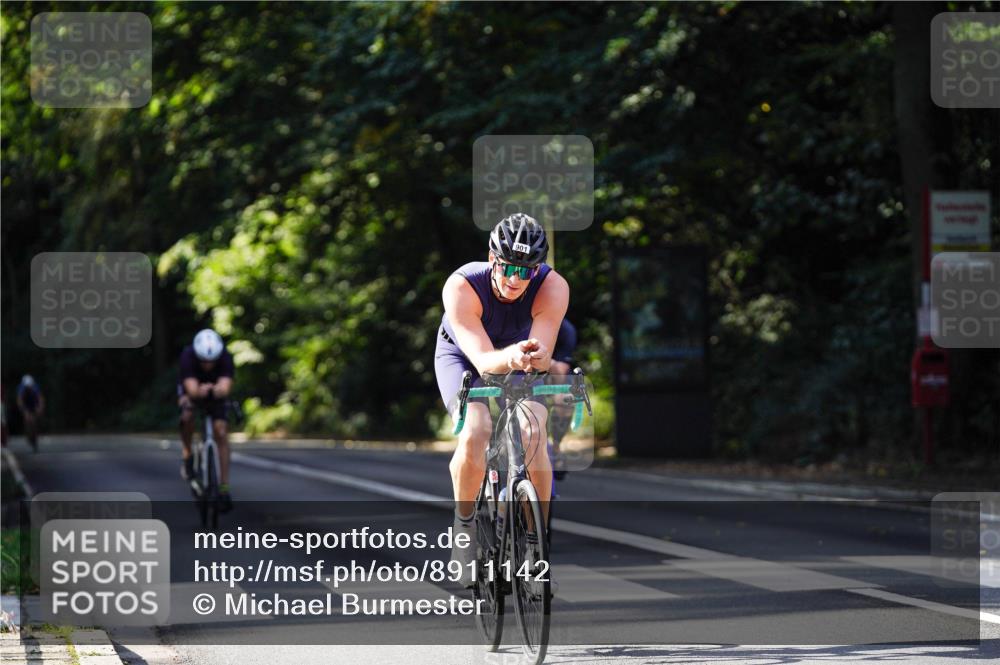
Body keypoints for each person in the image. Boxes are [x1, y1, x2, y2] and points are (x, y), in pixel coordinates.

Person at [435, 213, 569, 584]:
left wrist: (538, 357)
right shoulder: (462, 286)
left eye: (526, 272)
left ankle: (535, 543)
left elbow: (542, 355)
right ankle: (464, 527)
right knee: (476, 429)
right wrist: (511, 357)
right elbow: (482, 361)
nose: (515, 279)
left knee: (533, 431)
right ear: (492, 259)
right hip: (464, 357)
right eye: (508, 267)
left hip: (519, 359)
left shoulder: (553, 286)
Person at [178, 329, 235, 512]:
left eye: (212, 361)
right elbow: (192, 389)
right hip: (193, 392)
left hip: (216, 396)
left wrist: (216, 390)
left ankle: (224, 487)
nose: (208, 365)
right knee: (187, 416)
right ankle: (187, 456)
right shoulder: (188, 356)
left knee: (221, 431)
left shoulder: (225, 357)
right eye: (203, 361)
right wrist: (198, 391)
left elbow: (225, 387)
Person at [548, 318, 578, 480]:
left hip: (550, 377)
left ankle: (556, 447)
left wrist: (546, 361)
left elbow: (560, 374)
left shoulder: (566, 330)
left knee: (565, 399)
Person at [16, 375, 44, 452]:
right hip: (26, 406)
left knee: (35, 421)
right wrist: (24, 411)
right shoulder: (21, 388)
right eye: (27, 387)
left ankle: (35, 436)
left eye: (30, 386)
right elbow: (20, 401)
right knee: (27, 420)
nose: (28, 388)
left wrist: (40, 408)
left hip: (34, 405)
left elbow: (40, 398)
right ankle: (28, 434)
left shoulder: (35, 387)